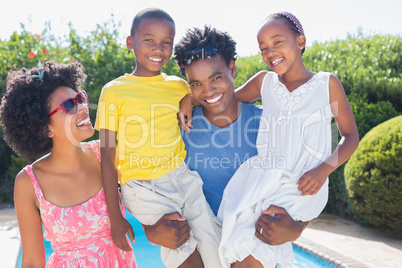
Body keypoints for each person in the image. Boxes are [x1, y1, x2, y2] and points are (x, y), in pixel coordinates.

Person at [144, 25, 310, 267]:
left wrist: (297, 228)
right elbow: (149, 181)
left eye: (216, 77)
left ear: (232, 68)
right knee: (180, 248)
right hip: (198, 233)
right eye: (196, 84)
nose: (208, 91)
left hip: (249, 235)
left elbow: (304, 178)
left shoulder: (269, 123)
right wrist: (150, 230)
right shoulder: (179, 125)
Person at [215, 12, 360, 267]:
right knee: (236, 248)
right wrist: (187, 99)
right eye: (263, 48)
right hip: (262, 180)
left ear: (300, 40)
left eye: (277, 42)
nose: (270, 52)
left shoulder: (327, 83)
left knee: (255, 249)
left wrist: (323, 170)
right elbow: (224, 101)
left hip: (303, 183)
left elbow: (350, 137)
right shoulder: (264, 82)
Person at [95, 8, 221, 268]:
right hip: (143, 188)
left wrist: (188, 98)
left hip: (184, 180)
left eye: (166, 42)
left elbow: (202, 95)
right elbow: (107, 155)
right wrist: (115, 217)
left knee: (217, 255)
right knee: (186, 258)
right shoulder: (114, 91)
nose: (158, 48)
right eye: (149, 40)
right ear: (131, 42)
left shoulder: (178, 86)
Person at [0, 61, 137, 267]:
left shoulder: (105, 154)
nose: (82, 107)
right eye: (69, 105)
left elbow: (147, 193)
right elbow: (31, 262)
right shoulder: (29, 182)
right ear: (45, 129)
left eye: (80, 98)